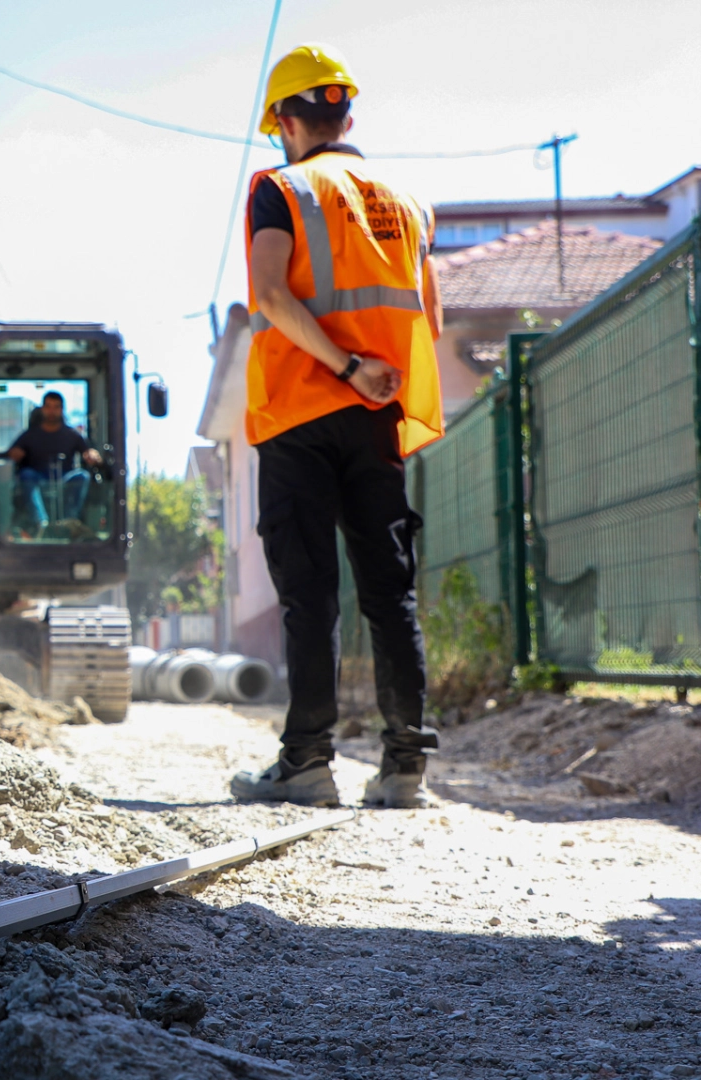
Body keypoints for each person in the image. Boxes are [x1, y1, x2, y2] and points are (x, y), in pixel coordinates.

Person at [227, 44, 445, 811]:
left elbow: (274, 296)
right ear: (346, 113)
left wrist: (344, 366)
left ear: (287, 121)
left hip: (300, 410)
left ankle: (309, 763)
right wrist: (373, 375)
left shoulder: (283, 188)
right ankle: (406, 767)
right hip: (377, 416)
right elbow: (430, 318)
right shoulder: (409, 202)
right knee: (390, 591)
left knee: (310, 591)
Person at [6, 391, 103, 531]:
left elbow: (87, 452)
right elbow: (11, 453)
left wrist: (92, 455)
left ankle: (69, 521)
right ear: (42, 409)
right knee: (26, 474)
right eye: (48, 407)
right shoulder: (30, 435)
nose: (52, 411)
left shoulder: (73, 435)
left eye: (56, 407)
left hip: (65, 479)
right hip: (38, 479)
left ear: (61, 410)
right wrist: (14, 454)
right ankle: (40, 522)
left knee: (82, 476)